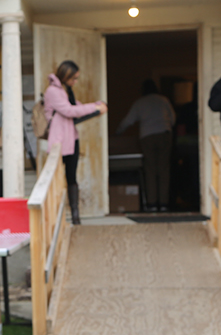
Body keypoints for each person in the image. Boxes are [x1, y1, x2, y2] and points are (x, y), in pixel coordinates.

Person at [43, 61, 107, 225]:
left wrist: (95, 107)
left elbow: (77, 107)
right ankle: (57, 219)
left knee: (72, 177)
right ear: (66, 75)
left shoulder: (65, 90)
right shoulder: (53, 91)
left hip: (72, 139)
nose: (75, 81)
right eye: (74, 78)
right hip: (58, 142)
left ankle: (76, 216)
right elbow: (69, 111)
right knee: (56, 181)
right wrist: (95, 107)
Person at [116, 79, 176, 212]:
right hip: (164, 134)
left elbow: (128, 120)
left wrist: (117, 132)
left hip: (147, 136)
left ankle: (152, 203)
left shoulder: (140, 103)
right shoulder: (163, 100)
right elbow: (173, 119)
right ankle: (164, 203)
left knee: (150, 169)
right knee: (164, 169)